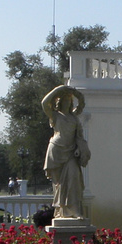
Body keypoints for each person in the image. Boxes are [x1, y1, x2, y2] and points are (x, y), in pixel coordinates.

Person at [41, 85, 91, 219]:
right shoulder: (55, 115)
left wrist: (78, 149)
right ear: (60, 102)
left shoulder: (74, 118)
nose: (68, 103)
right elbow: (44, 103)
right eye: (65, 101)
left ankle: (74, 211)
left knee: (74, 179)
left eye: (70, 101)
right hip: (56, 151)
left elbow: (79, 137)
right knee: (59, 185)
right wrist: (58, 90)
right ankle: (62, 212)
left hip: (70, 153)